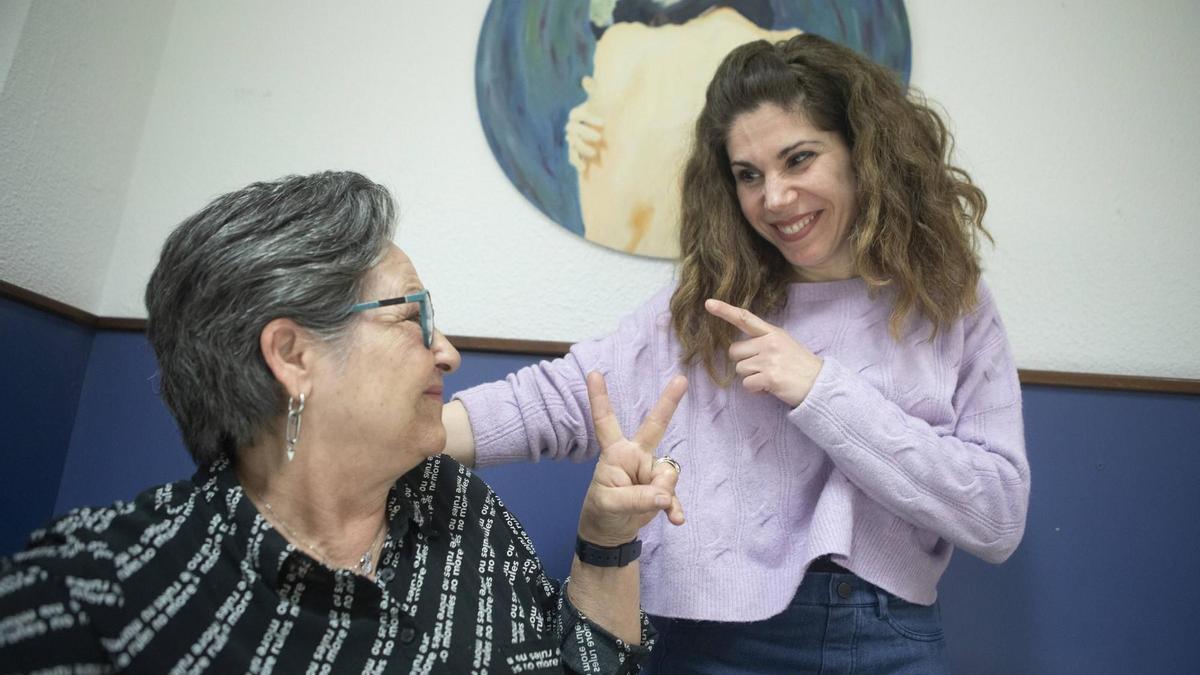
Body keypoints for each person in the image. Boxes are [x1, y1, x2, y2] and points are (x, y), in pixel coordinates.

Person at [444, 34, 1029, 673]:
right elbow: (559, 400)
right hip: (710, 644)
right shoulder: (709, 306)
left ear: (865, 154)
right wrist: (402, 432)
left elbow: (997, 519)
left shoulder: (952, 303)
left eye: (798, 159)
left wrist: (819, 389)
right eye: (748, 175)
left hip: (887, 639)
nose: (773, 198)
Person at [0, 171, 688, 673]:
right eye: (411, 315)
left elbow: (594, 666)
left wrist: (606, 539)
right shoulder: (99, 585)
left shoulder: (458, 505)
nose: (446, 349)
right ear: (293, 355)